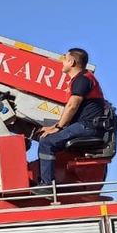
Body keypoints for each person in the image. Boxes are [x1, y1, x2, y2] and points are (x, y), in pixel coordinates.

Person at [35, 47, 105, 186]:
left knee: (47, 142)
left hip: (87, 126)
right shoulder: (84, 78)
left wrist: (59, 127)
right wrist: (54, 126)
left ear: (71, 61)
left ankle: (47, 185)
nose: (62, 63)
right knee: (47, 134)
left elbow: (72, 105)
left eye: (64, 60)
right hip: (86, 125)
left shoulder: (82, 80)